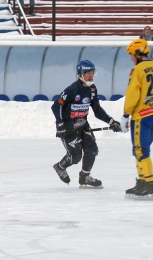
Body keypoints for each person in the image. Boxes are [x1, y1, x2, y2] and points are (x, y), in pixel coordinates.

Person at [51, 60, 122, 188]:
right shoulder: (73, 89)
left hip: (83, 126)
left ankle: (84, 177)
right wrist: (60, 124)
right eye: (88, 73)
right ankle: (60, 167)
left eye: (92, 72)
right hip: (69, 129)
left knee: (92, 151)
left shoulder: (92, 89)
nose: (91, 75)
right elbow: (56, 106)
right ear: (80, 74)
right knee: (75, 157)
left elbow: (97, 110)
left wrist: (111, 122)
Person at [120, 38, 153, 200]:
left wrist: (126, 114)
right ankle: (142, 180)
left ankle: (150, 183)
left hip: (142, 116)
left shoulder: (137, 70)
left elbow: (133, 94)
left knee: (141, 150)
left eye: (132, 54)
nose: (131, 58)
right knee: (141, 149)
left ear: (139, 53)